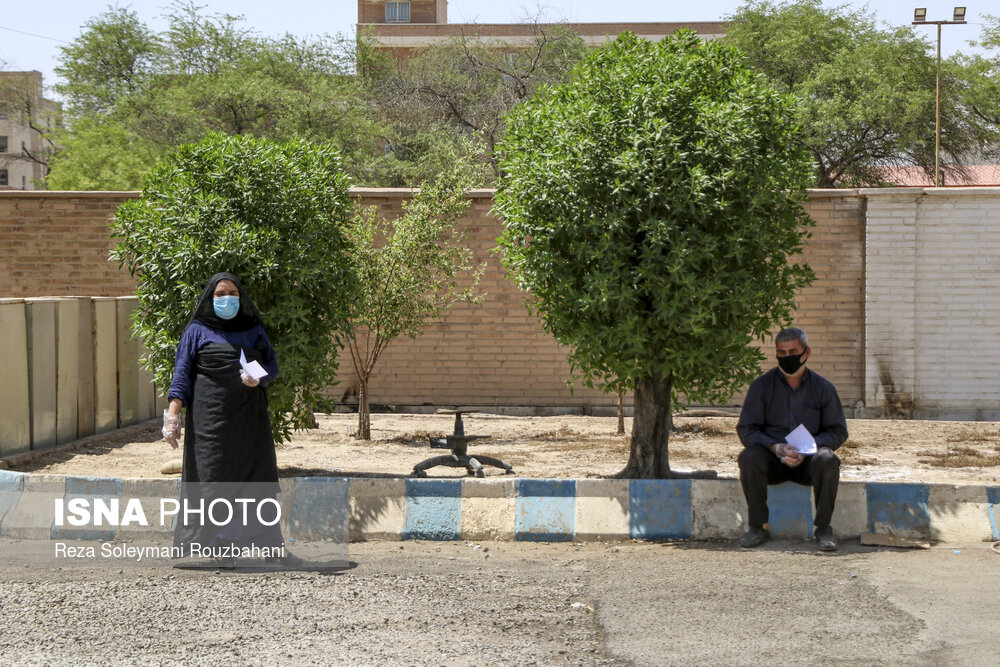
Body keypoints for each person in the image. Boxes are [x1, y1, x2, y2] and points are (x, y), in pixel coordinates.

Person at [161, 272, 291, 566]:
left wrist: (258, 378)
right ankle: (218, 545)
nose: (226, 298)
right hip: (210, 421)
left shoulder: (252, 327)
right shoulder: (197, 330)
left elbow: (271, 365)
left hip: (249, 420)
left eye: (232, 292)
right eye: (220, 294)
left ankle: (270, 549)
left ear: (240, 297)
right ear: (210, 297)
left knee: (254, 480)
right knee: (212, 481)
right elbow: (182, 375)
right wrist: (172, 416)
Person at [736, 327, 847, 551]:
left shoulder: (823, 388)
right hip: (773, 462)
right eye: (782, 353)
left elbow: (838, 431)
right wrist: (775, 447)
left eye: (793, 351)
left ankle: (824, 528)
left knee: (829, 460)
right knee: (748, 457)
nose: (788, 358)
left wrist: (808, 449)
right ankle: (757, 527)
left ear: (807, 352)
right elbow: (747, 429)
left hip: (809, 463)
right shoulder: (761, 387)